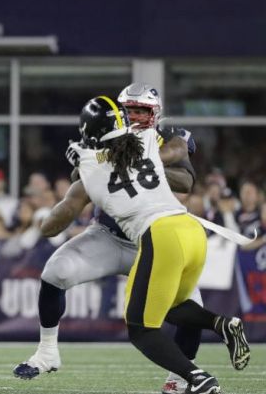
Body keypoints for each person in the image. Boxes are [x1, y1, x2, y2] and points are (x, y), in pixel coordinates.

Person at [37, 96, 250, 394]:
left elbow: (53, 222)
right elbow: (171, 148)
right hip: (190, 229)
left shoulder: (91, 168)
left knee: (140, 328)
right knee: (171, 306)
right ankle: (222, 324)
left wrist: (83, 158)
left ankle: (199, 379)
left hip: (159, 235)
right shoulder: (150, 140)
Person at [13, 83, 204, 394]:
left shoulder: (166, 135)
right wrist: (93, 163)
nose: (135, 116)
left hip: (153, 239)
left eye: (142, 110)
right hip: (108, 234)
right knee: (54, 272)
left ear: (154, 114)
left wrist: (130, 163)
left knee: (193, 307)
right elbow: (79, 184)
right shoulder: (100, 137)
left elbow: (185, 181)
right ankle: (46, 352)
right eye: (130, 110)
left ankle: (181, 377)